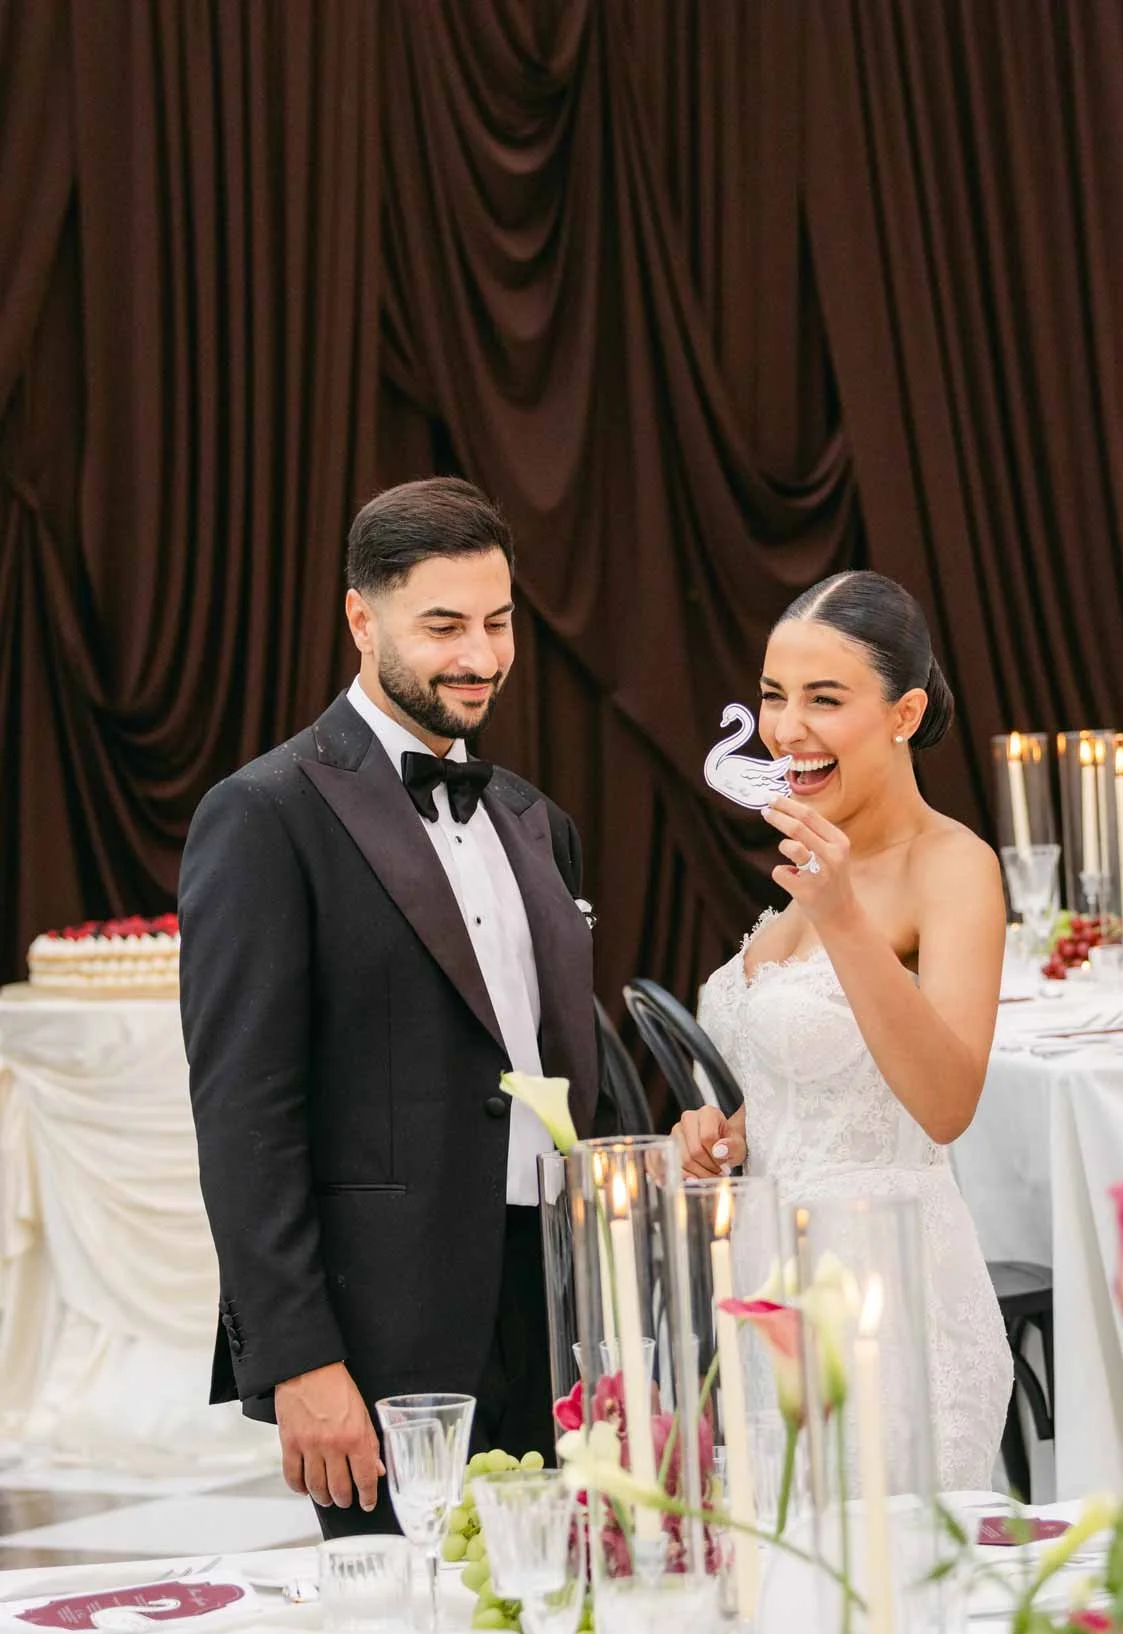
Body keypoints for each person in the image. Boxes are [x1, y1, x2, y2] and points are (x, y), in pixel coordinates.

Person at [180, 477, 613, 1537]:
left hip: (555, 1313)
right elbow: (244, 1114)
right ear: (359, 618)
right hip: (384, 1336)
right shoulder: (263, 816)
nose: (480, 655)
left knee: (556, 1632)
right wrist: (297, 1359)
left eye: (498, 622)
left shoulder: (533, 820)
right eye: (444, 626)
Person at [676, 571, 1012, 1488]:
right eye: (775, 696)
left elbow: (945, 1103)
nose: (787, 729)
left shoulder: (951, 864)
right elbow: (823, 1081)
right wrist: (726, 1133)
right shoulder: (816, 857)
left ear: (903, 714)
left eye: (825, 699)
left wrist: (844, 920)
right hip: (772, 1292)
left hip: (890, 1300)